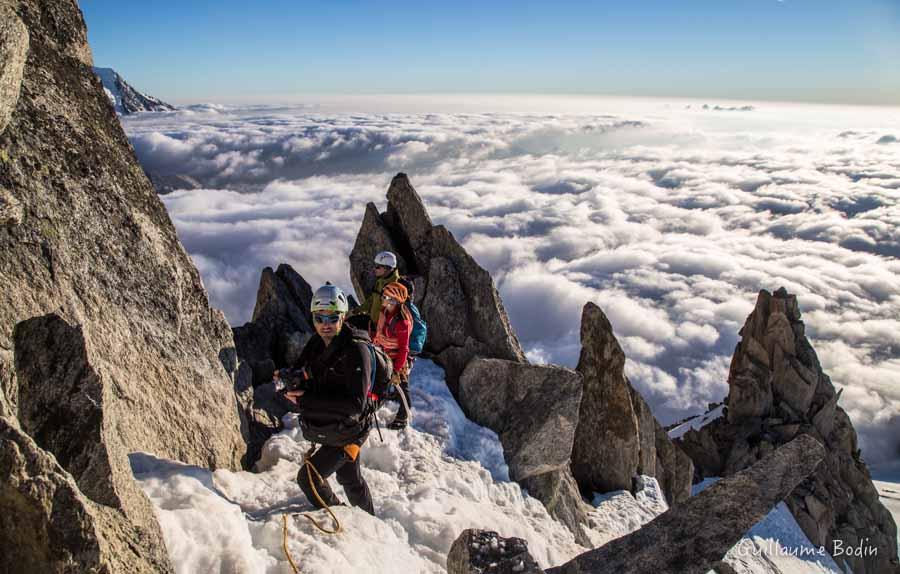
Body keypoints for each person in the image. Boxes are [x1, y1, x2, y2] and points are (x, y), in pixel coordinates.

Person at [278, 284, 377, 515]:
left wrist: (306, 401)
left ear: (343, 317)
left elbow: (355, 404)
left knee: (308, 478)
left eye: (332, 318)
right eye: (319, 318)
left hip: (350, 431)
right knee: (350, 479)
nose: (325, 324)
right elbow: (303, 371)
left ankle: (342, 518)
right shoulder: (316, 343)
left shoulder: (356, 350)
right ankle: (371, 523)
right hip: (333, 426)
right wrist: (290, 380)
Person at [373, 281, 413, 430]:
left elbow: (403, 349)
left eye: (386, 296)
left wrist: (396, 370)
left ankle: (403, 417)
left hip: (397, 360)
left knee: (403, 387)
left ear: (394, 300)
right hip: (385, 354)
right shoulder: (386, 312)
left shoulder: (402, 323)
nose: (383, 298)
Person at [350, 251, 400, 331]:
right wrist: (356, 311)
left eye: (378, 267)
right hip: (374, 323)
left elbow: (392, 312)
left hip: (383, 329)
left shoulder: (395, 286)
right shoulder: (381, 281)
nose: (374, 269)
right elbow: (372, 300)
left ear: (387, 268)